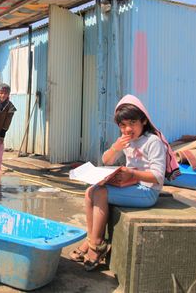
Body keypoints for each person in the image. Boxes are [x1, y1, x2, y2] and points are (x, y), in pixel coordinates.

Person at [69, 94, 180, 271]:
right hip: (130, 186)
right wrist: (116, 148)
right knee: (90, 191)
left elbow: (158, 176)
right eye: (122, 125)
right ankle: (91, 239)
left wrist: (132, 174)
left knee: (99, 192)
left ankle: (97, 245)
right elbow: (107, 160)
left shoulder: (153, 142)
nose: (127, 129)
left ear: (143, 120)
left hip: (147, 192)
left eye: (132, 123)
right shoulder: (126, 141)